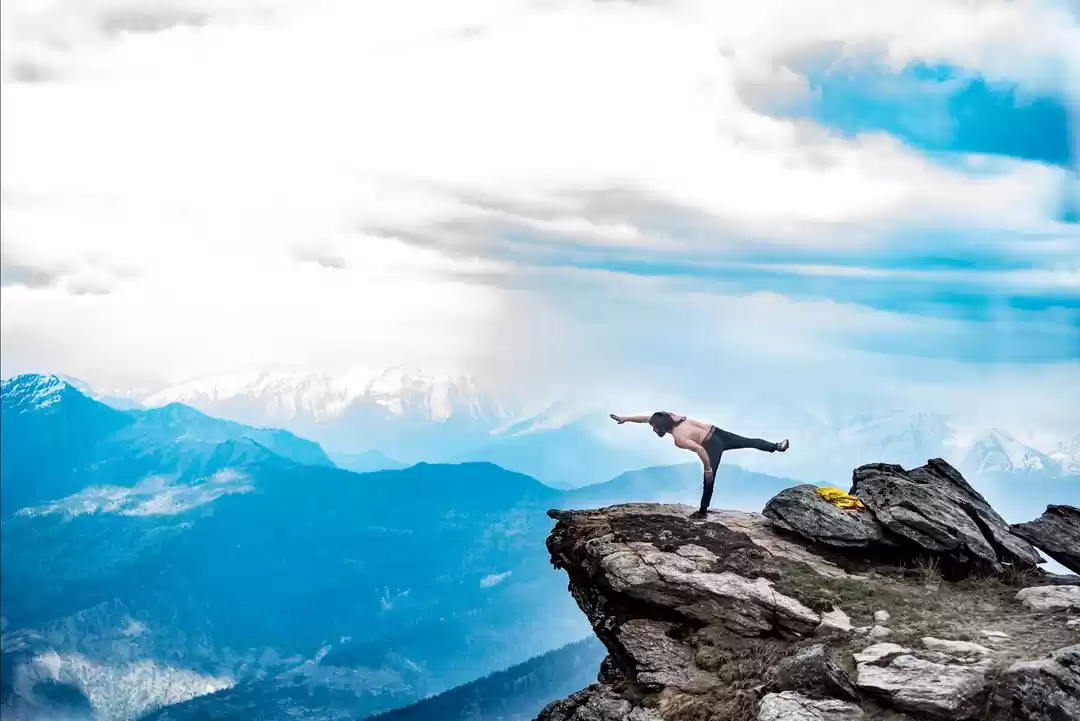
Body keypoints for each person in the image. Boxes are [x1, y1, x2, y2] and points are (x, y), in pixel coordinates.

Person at [609, 411, 789, 519]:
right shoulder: (675, 418)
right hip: (717, 431)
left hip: (712, 444)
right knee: (749, 441)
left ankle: (703, 511)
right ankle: (777, 447)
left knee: (708, 478)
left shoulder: (679, 438)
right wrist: (626, 418)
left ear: (661, 427)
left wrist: (708, 468)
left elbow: (700, 450)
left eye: (655, 427)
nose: (653, 429)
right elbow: (647, 418)